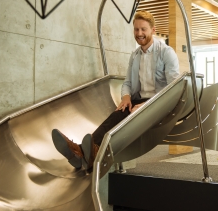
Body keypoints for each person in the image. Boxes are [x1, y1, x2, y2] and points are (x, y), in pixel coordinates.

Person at [52, 10, 180, 172]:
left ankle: (85, 154)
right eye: (136, 29)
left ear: (153, 30)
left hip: (159, 102)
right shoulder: (135, 56)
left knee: (121, 125)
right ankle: (84, 153)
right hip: (137, 101)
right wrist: (126, 97)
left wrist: (149, 105)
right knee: (115, 116)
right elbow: (127, 82)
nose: (139, 33)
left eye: (143, 29)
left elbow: (173, 88)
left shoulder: (166, 53)